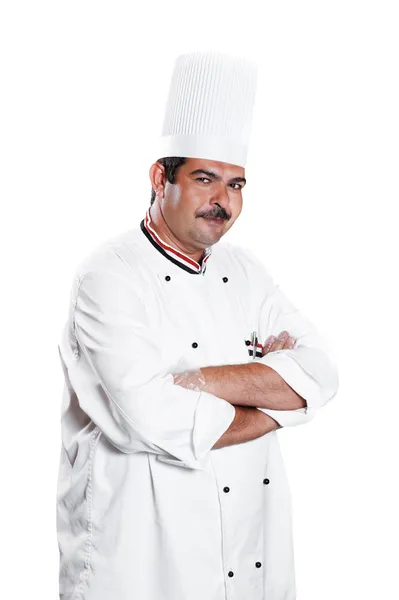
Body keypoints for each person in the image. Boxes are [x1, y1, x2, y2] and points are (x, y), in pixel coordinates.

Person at [56, 51, 339, 600]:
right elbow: (151, 419)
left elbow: (323, 372)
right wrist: (282, 401)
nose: (222, 201)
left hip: (249, 547)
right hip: (138, 555)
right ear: (161, 178)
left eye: (235, 185)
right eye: (205, 179)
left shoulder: (247, 271)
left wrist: (203, 381)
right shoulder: (107, 277)